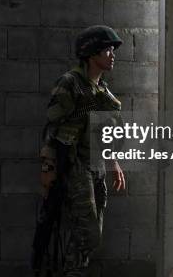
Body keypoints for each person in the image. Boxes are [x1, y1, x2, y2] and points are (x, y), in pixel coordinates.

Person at [38, 25, 127, 277]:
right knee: (87, 232)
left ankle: (74, 272)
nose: (112, 55)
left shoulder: (104, 93)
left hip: (96, 167)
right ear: (91, 54)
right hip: (75, 166)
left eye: (112, 50)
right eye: (107, 50)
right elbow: (52, 128)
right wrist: (47, 168)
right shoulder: (71, 84)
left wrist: (114, 163)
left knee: (88, 234)